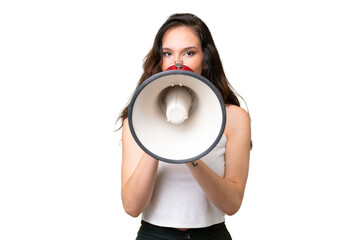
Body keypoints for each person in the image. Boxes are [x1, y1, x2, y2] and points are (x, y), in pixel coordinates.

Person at [118, 13, 251, 240]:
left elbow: (232, 204)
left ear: (206, 59)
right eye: (167, 53)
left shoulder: (234, 118)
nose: (177, 62)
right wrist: (157, 137)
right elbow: (132, 207)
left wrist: (191, 155)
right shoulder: (136, 120)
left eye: (189, 53)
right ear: (160, 61)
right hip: (154, 235)